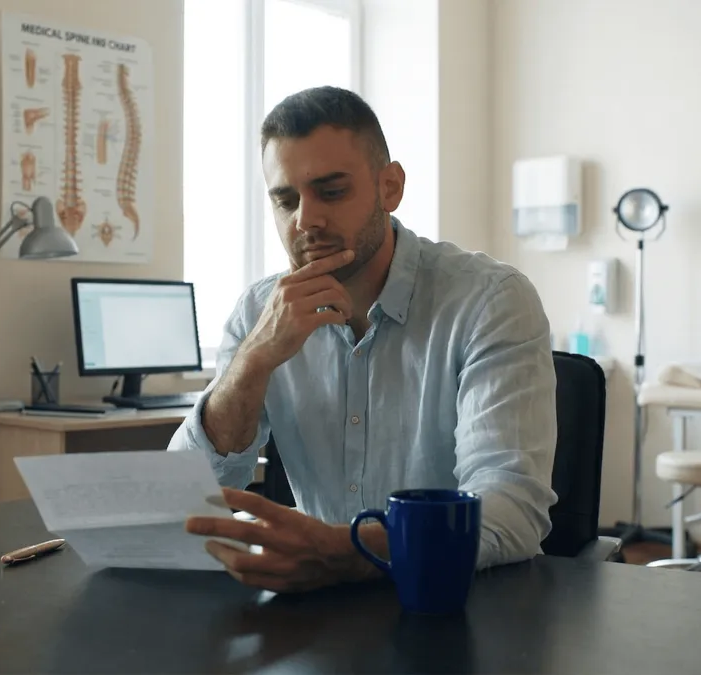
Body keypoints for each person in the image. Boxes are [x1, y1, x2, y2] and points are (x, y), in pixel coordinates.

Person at [168, 86, 558, 593]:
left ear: (390, 186)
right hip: (314, 611)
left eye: (330, 192)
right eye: (286, 200)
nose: (305, 220)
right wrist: (253, 362)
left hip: (456, 603)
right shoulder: (258, 312)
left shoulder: (490, 301)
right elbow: (182, 500)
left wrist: (345, 551)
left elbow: (509, 509)